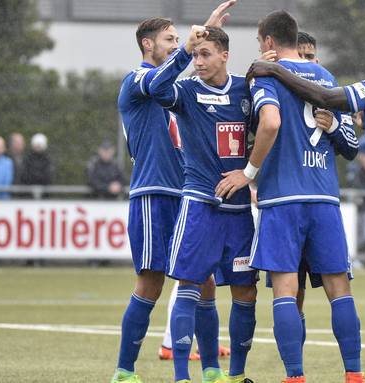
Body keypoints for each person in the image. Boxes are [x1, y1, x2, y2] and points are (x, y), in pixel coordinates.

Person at [246, 23, 365, 383]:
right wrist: (338, 126)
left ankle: (304, 377)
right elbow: (354, 137)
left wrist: (274, 69)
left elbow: (318, 107)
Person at [217, 11, 364, 383]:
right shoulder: (326, 76)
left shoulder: (267, 75)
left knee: (285, 289)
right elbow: (348, 139)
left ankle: (295, 377)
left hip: (283, 198)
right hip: (325, 197)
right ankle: (354, 375)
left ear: (268, 42)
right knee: (339, 290)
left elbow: (270, 122)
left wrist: (248, 172)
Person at [110, 3, 233, 382]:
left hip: (187, 193)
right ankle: (125, 371)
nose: (178, 44)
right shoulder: (136, 79)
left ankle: (211, 368)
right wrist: (188, 49)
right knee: (151, 280)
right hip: (153, 192)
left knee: (204, 280)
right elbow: (159, 82)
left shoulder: (178, 85)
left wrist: (207, 37)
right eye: (170, 39)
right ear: (148, 44)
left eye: (178, 39)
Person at [149, 20, 258, 383]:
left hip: (240, 210)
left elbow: (273, 125)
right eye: (195, 55)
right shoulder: (186, 92)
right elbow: (155, 85)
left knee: (245, 290)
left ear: (225, 56)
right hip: (199, 206)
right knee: (190, 283)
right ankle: (184, 375)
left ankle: (233, 374)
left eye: (205, 54)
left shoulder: (247, 90)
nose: (198, 61)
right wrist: (184, 49)